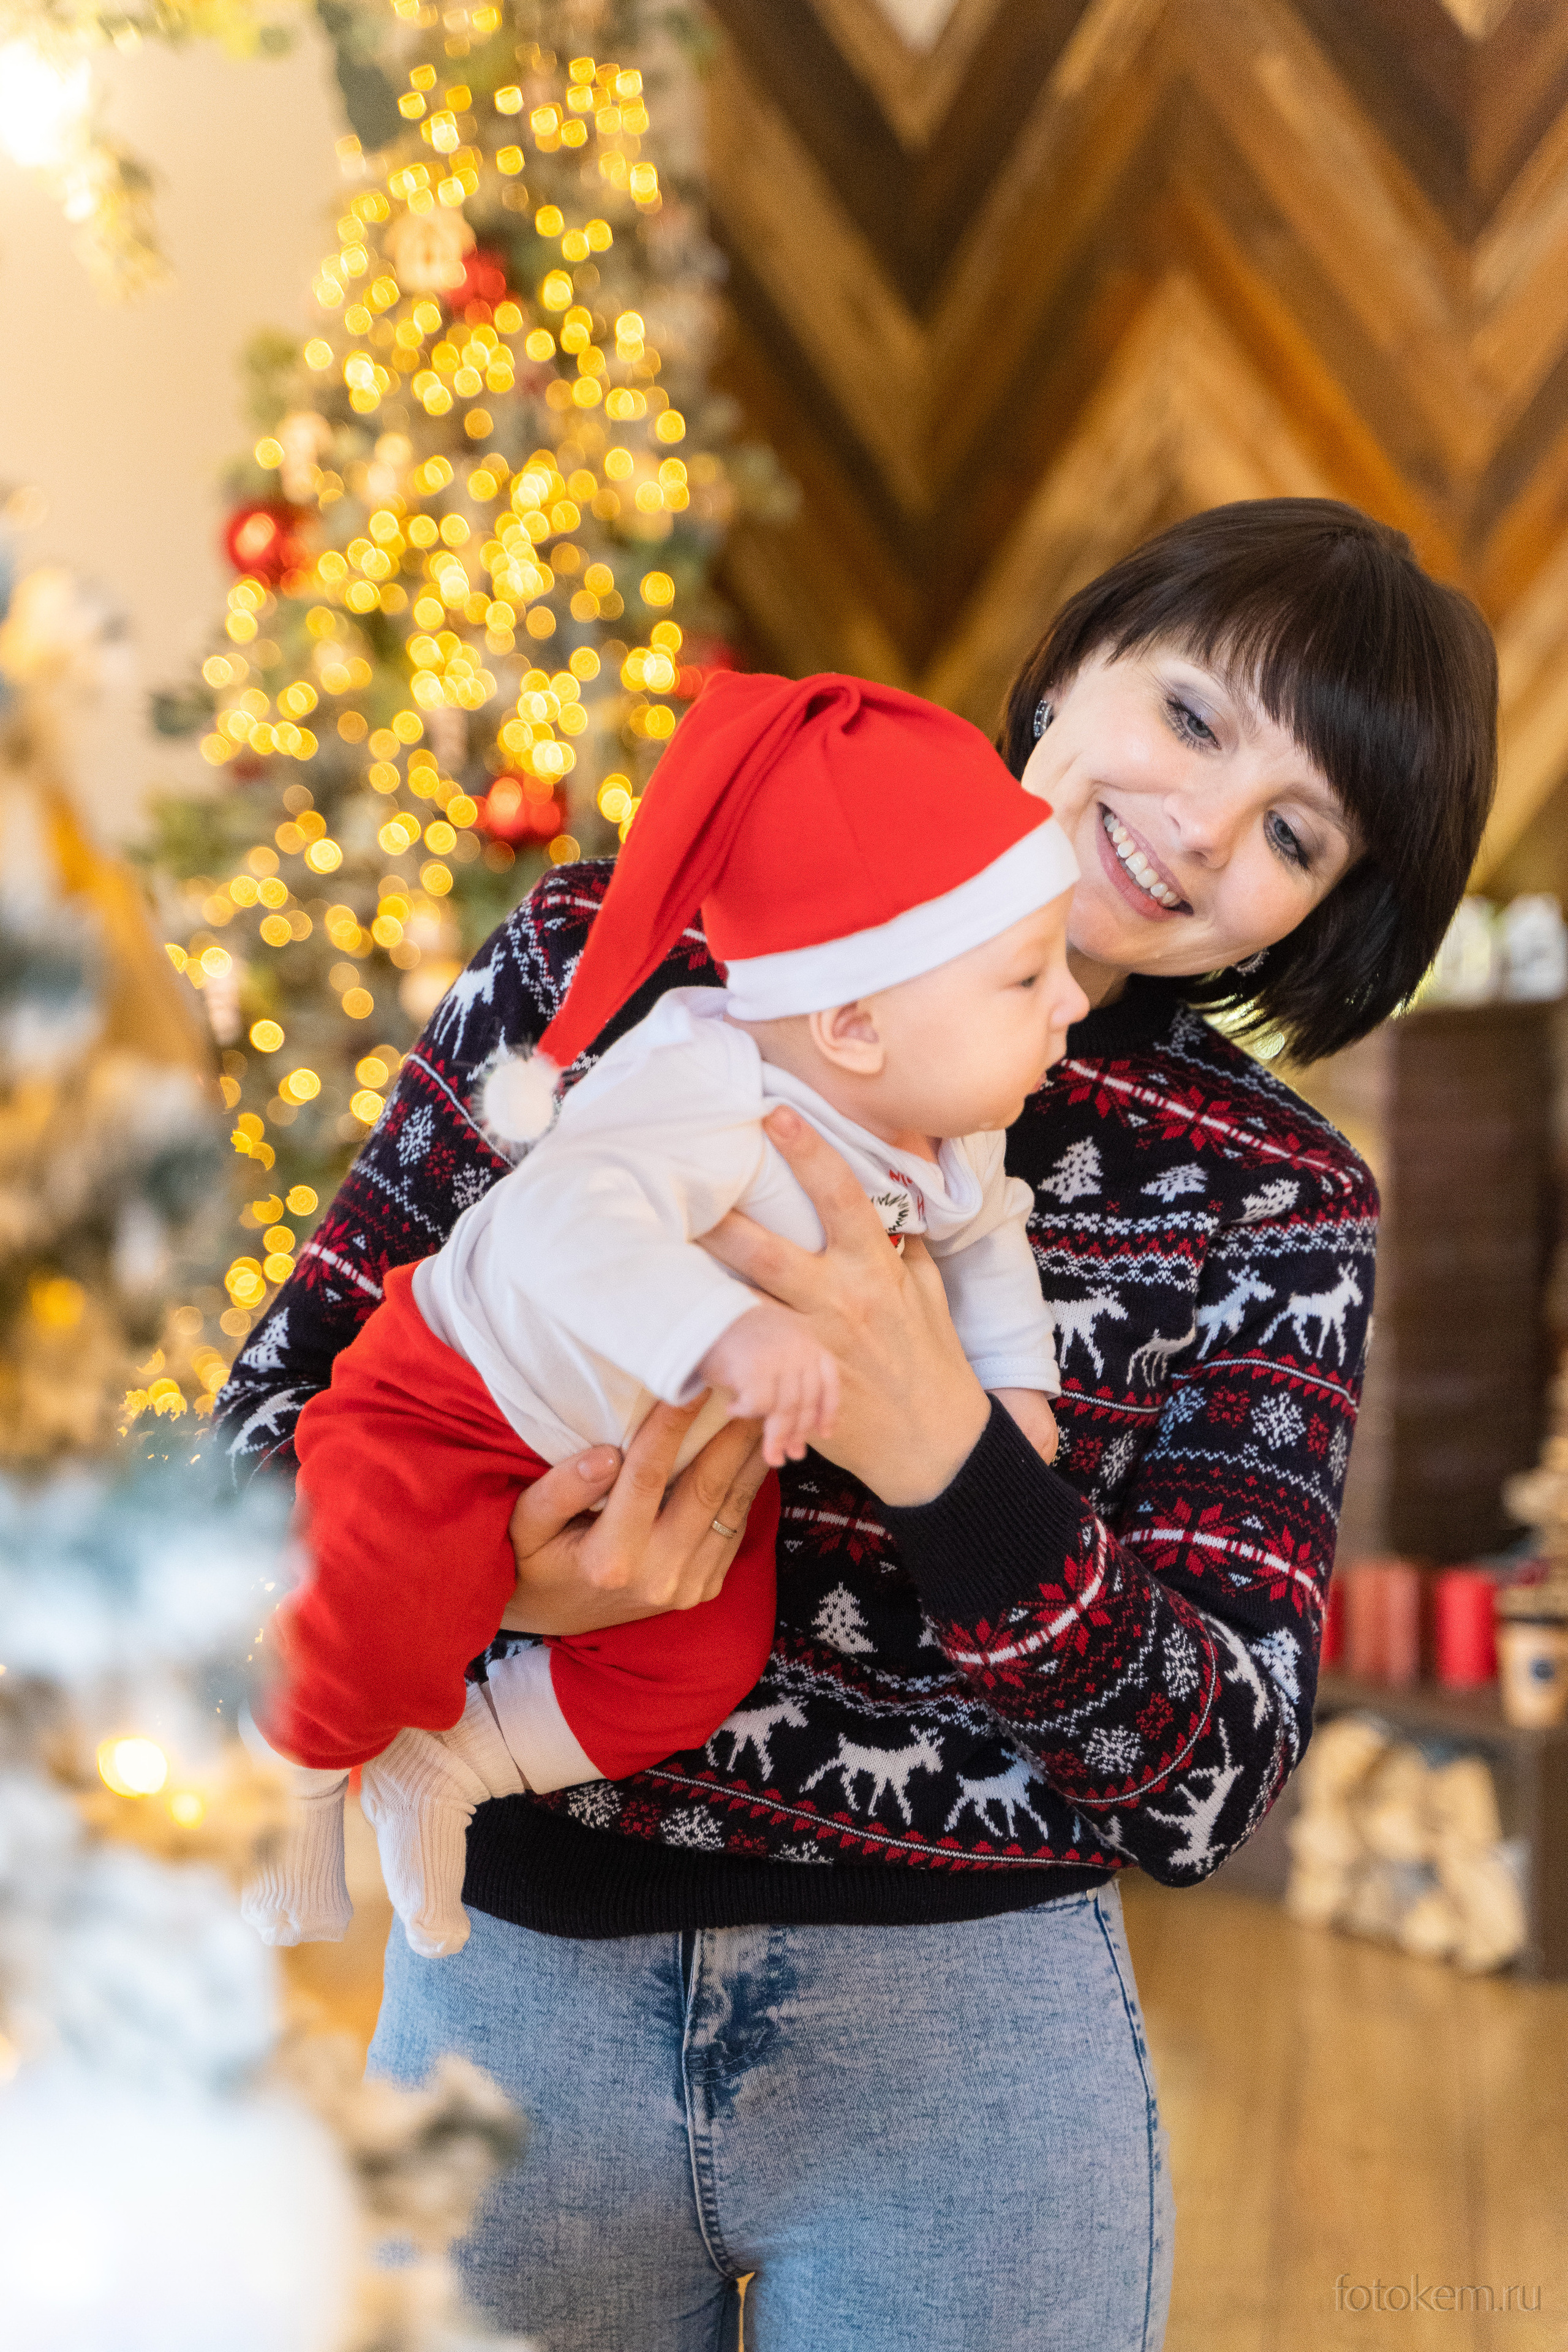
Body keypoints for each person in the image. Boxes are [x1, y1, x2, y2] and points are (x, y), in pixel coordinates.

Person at [217, 500, 1496, 2351]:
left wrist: (943, 1451)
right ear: (1071, 667)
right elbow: (264, 1430)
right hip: (511, 2006)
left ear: (1324, 905)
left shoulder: (1278, 1197)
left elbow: (1212, 1774)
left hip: (971, 2064)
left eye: (1297, 831)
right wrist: (498, 1584)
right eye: (1196, 718)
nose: (1206, 827)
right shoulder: (619, 948)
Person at [241, 676, 1083, 1958]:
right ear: (852, 1022)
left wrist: (1013, 1396)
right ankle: (286, 1770)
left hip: (672, 1459)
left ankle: (455, 1769)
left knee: (699, 1661)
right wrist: (727, 1336)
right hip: (459, 1401)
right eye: (1028, 976)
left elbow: (987, 1242)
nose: (1067, 1002)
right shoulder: (703, 1089)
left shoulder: (952, 1134)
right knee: (381, 1605)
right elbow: (561, 1222)